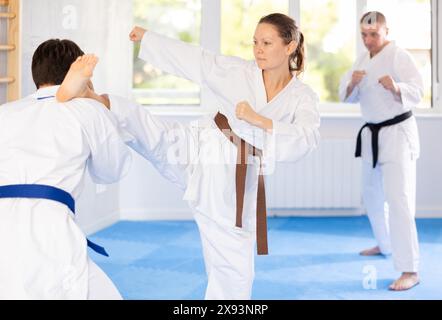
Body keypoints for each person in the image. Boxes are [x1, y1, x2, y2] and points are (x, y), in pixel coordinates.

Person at [57, 13, 320, 300]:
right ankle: (92, 98)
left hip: (231, 178)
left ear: (290, 46)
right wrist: (150, 39)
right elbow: (199, 61)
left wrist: (259, 120)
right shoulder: (238, 71)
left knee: (234, 268)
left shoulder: (302, 97)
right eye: (255, 42)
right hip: (201, 143)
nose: (258, 49)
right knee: (149, 129)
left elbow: (307, 138)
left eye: (267, 43)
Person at [0, 40, 132, 299]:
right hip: (47, 227)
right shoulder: (87, 109)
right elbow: (112, 170)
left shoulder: (5, 112)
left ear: (35, 74)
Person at [339, 11, 423, 291]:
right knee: (371, 195)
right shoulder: (362, 60)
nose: (368, 40)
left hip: (398, 134)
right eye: (364, 35)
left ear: (386, 31)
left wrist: (397, 86)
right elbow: (347, 97)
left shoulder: (399, 55)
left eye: (374, 34)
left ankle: (410, 269)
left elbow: (419, 90)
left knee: (399, 200)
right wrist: (352, 83)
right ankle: (385, 244)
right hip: (372, 134)